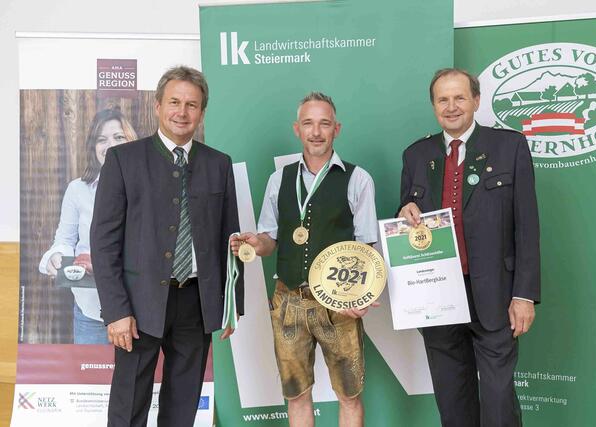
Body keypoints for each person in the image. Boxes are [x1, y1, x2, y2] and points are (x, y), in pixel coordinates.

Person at [90, 66, 243, 427]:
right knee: (128, 404)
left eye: (192, 104)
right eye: (174, 102)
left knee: (183, 405)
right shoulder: (123, 160)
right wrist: (116, 311)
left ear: (202, 112)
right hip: (137, 305)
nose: (182, 112)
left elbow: (230, 236)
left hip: (196, 303)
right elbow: (104, 240)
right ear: (157, 106)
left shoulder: (218, 164)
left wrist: (230, 304)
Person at [398, 68, 540, 427]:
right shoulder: (416, 155)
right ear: (433, 106)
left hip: (497, 295)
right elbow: (407, 223)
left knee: (498, 400)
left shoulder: (509, 146)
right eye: (442, 100)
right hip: (437, 299)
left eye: (459, 97)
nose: (451, 107)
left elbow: (527, 225)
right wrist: (405, 212)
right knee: (452, 399)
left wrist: (524, 294)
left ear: (476, 100)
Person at [231, 92, 378, 427]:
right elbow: (270, 240)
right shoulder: (278, 179)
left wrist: (361, 296)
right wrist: (257, 242)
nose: (316, 131)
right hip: (288, 301)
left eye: (324, 123)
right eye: (309, 123)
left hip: (339, 304)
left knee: (350, 394)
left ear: (336, 129)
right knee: (296, 394)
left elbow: (366, 247)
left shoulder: (357, 178)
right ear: (297, 129)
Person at [39, 108, 137, 344]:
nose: (110, 145)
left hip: (137, 312)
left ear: (131, 141)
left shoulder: (148, 187)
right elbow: (64, 240)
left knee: (134, 381)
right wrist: (56, 257)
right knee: (91, 380)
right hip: (90, 313)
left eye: (118, 137)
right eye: (101, 139)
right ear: (94, 148)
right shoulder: (77, 190)